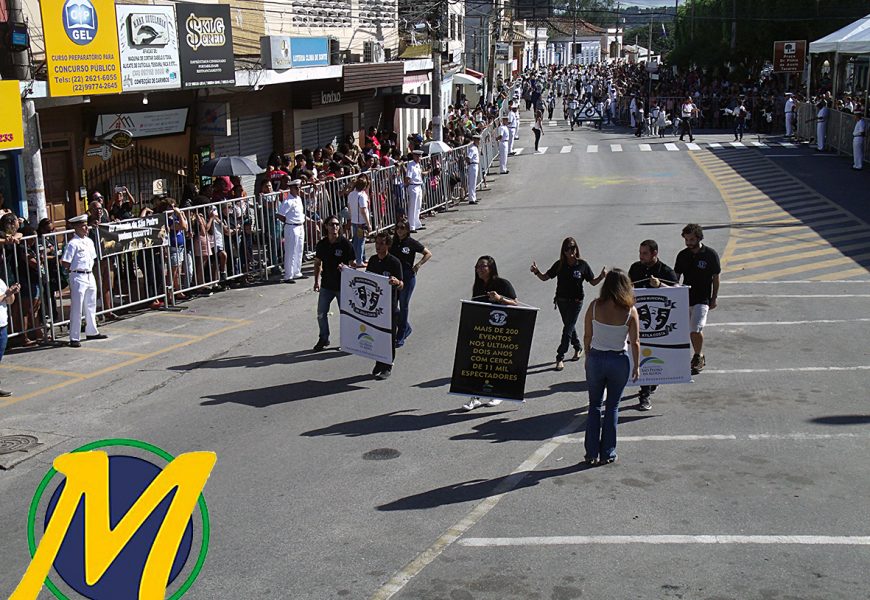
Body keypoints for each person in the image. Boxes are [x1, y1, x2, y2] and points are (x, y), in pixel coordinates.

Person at [582, 269, 640, 466]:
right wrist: (637, 365)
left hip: (596, 358)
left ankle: (591, 453)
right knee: (613, 406)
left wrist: (588, 355)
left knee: (594, 405)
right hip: (618, 359)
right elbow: (636, 342)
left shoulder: (595, 306)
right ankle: (608, 452)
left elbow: (587, 336)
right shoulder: (630, 310)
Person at [530, 237, 605, 371]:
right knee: (569, 327)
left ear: (576, 249)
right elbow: (545, 277)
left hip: (576, 302)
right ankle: (577, 347)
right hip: (562, 301)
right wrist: (536, 271)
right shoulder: (559, 265)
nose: (570, 251)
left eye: (572, 248)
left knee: (567, 329)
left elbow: (592, 282)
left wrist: (601, 276)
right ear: (563, 251)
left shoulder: (582, 265)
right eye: (567, 249)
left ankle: (560, 357)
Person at [462, 255, 518, 411]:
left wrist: (500, 299)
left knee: (495, 364)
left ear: (491, 268)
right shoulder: (478, 286)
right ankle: (475, 396)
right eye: (477, 267)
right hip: (482, 330)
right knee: (478, 364)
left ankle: (497, 393)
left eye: (482, 266)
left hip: (500, 330)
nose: (479, 269)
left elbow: (515, 303)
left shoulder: (502, 283)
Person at [628, 239, 678, 411]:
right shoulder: (635, 268)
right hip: (638, 322)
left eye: (645, 253)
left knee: (655, 358)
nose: (641, 256)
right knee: (642, 356)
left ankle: (652, 382)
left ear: (655, 253)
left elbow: (678, 293)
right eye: (640, 253)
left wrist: (660, 285)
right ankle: (644, 394)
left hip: (659, 326)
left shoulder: (666, 271)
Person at [674, 224, 720, 375]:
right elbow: (676, 276)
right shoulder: (682, 255)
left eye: (692, 239)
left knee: (695, 329)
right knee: (685, 330)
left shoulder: (710, 255)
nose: (688, 243)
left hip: (702, 299)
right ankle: (688, 356)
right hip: (685, 298)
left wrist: (714, 298)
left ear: (699, 238)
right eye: (686, 240)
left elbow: (715, 278)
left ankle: (698, 355)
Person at [61, 214, 107, 347]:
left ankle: (92, 331)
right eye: (83, 226)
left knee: (91, 304)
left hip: (89, 274)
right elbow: (65, 262)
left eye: (86, 225)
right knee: (77, 307)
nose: (86, 228)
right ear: (76, 227)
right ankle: (74, 337)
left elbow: (92, 258)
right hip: (78, 276)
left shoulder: (89, 241)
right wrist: (73, 271)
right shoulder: (72, 244)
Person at [312, 215, 355, 351]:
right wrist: (316, 281)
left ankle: (348, 340)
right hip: (326, 285)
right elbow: (318, 263)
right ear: (326, 227)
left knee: (346, 315)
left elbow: (353, 265)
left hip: (342, 286)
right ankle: (324, 338)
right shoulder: (322, 244)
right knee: (321, 313)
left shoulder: (345, 244)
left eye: (337, 224)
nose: (335, 227)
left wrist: (346, 268)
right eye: (332, 224)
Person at [366, 232, 404, 380]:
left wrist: (396, 282)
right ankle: (379, 362)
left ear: (387, 245)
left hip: (390, 306)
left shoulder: (394, 262)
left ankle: (388, 365)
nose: (378, 247)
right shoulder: (373, 260)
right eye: (376, 243)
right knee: (376, 335)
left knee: (389, 337)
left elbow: (402, 284)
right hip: (375, 306)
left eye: (382, 243)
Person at [390, 218, 431, 348]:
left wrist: (418, 264)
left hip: (407, 277)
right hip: (394, 277)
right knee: (392, 306)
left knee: (403, 305)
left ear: (407, 229)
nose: (399, 230)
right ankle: (405, 326)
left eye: (402, 227)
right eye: (398, 227)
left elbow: (428, 253)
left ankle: (401, 334)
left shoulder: (411, 243)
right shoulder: (393, 242)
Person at [276, 179, 306, 283]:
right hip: (291, 227)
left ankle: (297, 272)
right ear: (291, 188)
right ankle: (288, 275)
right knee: (290, 251)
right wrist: (288, 221)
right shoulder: (288, 201)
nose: (299, 189)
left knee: (299, 249)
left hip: (300, 225)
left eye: (299, 187)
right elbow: (280, 215)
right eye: (296, 188)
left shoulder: (298, 198)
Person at [0, 277, 20, 396]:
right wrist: (6, 294)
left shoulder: (1, 281)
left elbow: (10, 301)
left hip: (2, 325)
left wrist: (12, 293)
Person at [347, 174, 371, 266]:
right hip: (361, 222)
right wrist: (368, 224)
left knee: (357, 240)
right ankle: (359, 260)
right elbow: (363, 210)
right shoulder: (362, 196)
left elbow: (349, 207)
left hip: (354, 220)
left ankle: (362, 257)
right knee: (360, 241)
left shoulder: (351, 194)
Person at [404, 150, 426, 233]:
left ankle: (417, 224)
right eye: (417, 156)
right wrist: (406, 185)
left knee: (418, 206)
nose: (419, 158)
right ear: (413, 156)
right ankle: (411, 226)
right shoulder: (411, 165)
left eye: (420, 156)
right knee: (412, 207)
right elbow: (408, 177)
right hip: (413, 186)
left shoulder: (418, 165)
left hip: (418, 185)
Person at [466, 134, 481, 204]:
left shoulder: (475, 148)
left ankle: (474, 197)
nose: (479, 141)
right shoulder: (472, 148)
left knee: (474, 182)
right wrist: (469, 163)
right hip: (473, 165)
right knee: (472, 183)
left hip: (475, 165)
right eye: (478, 140)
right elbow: (468, 157)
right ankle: (471, 199)